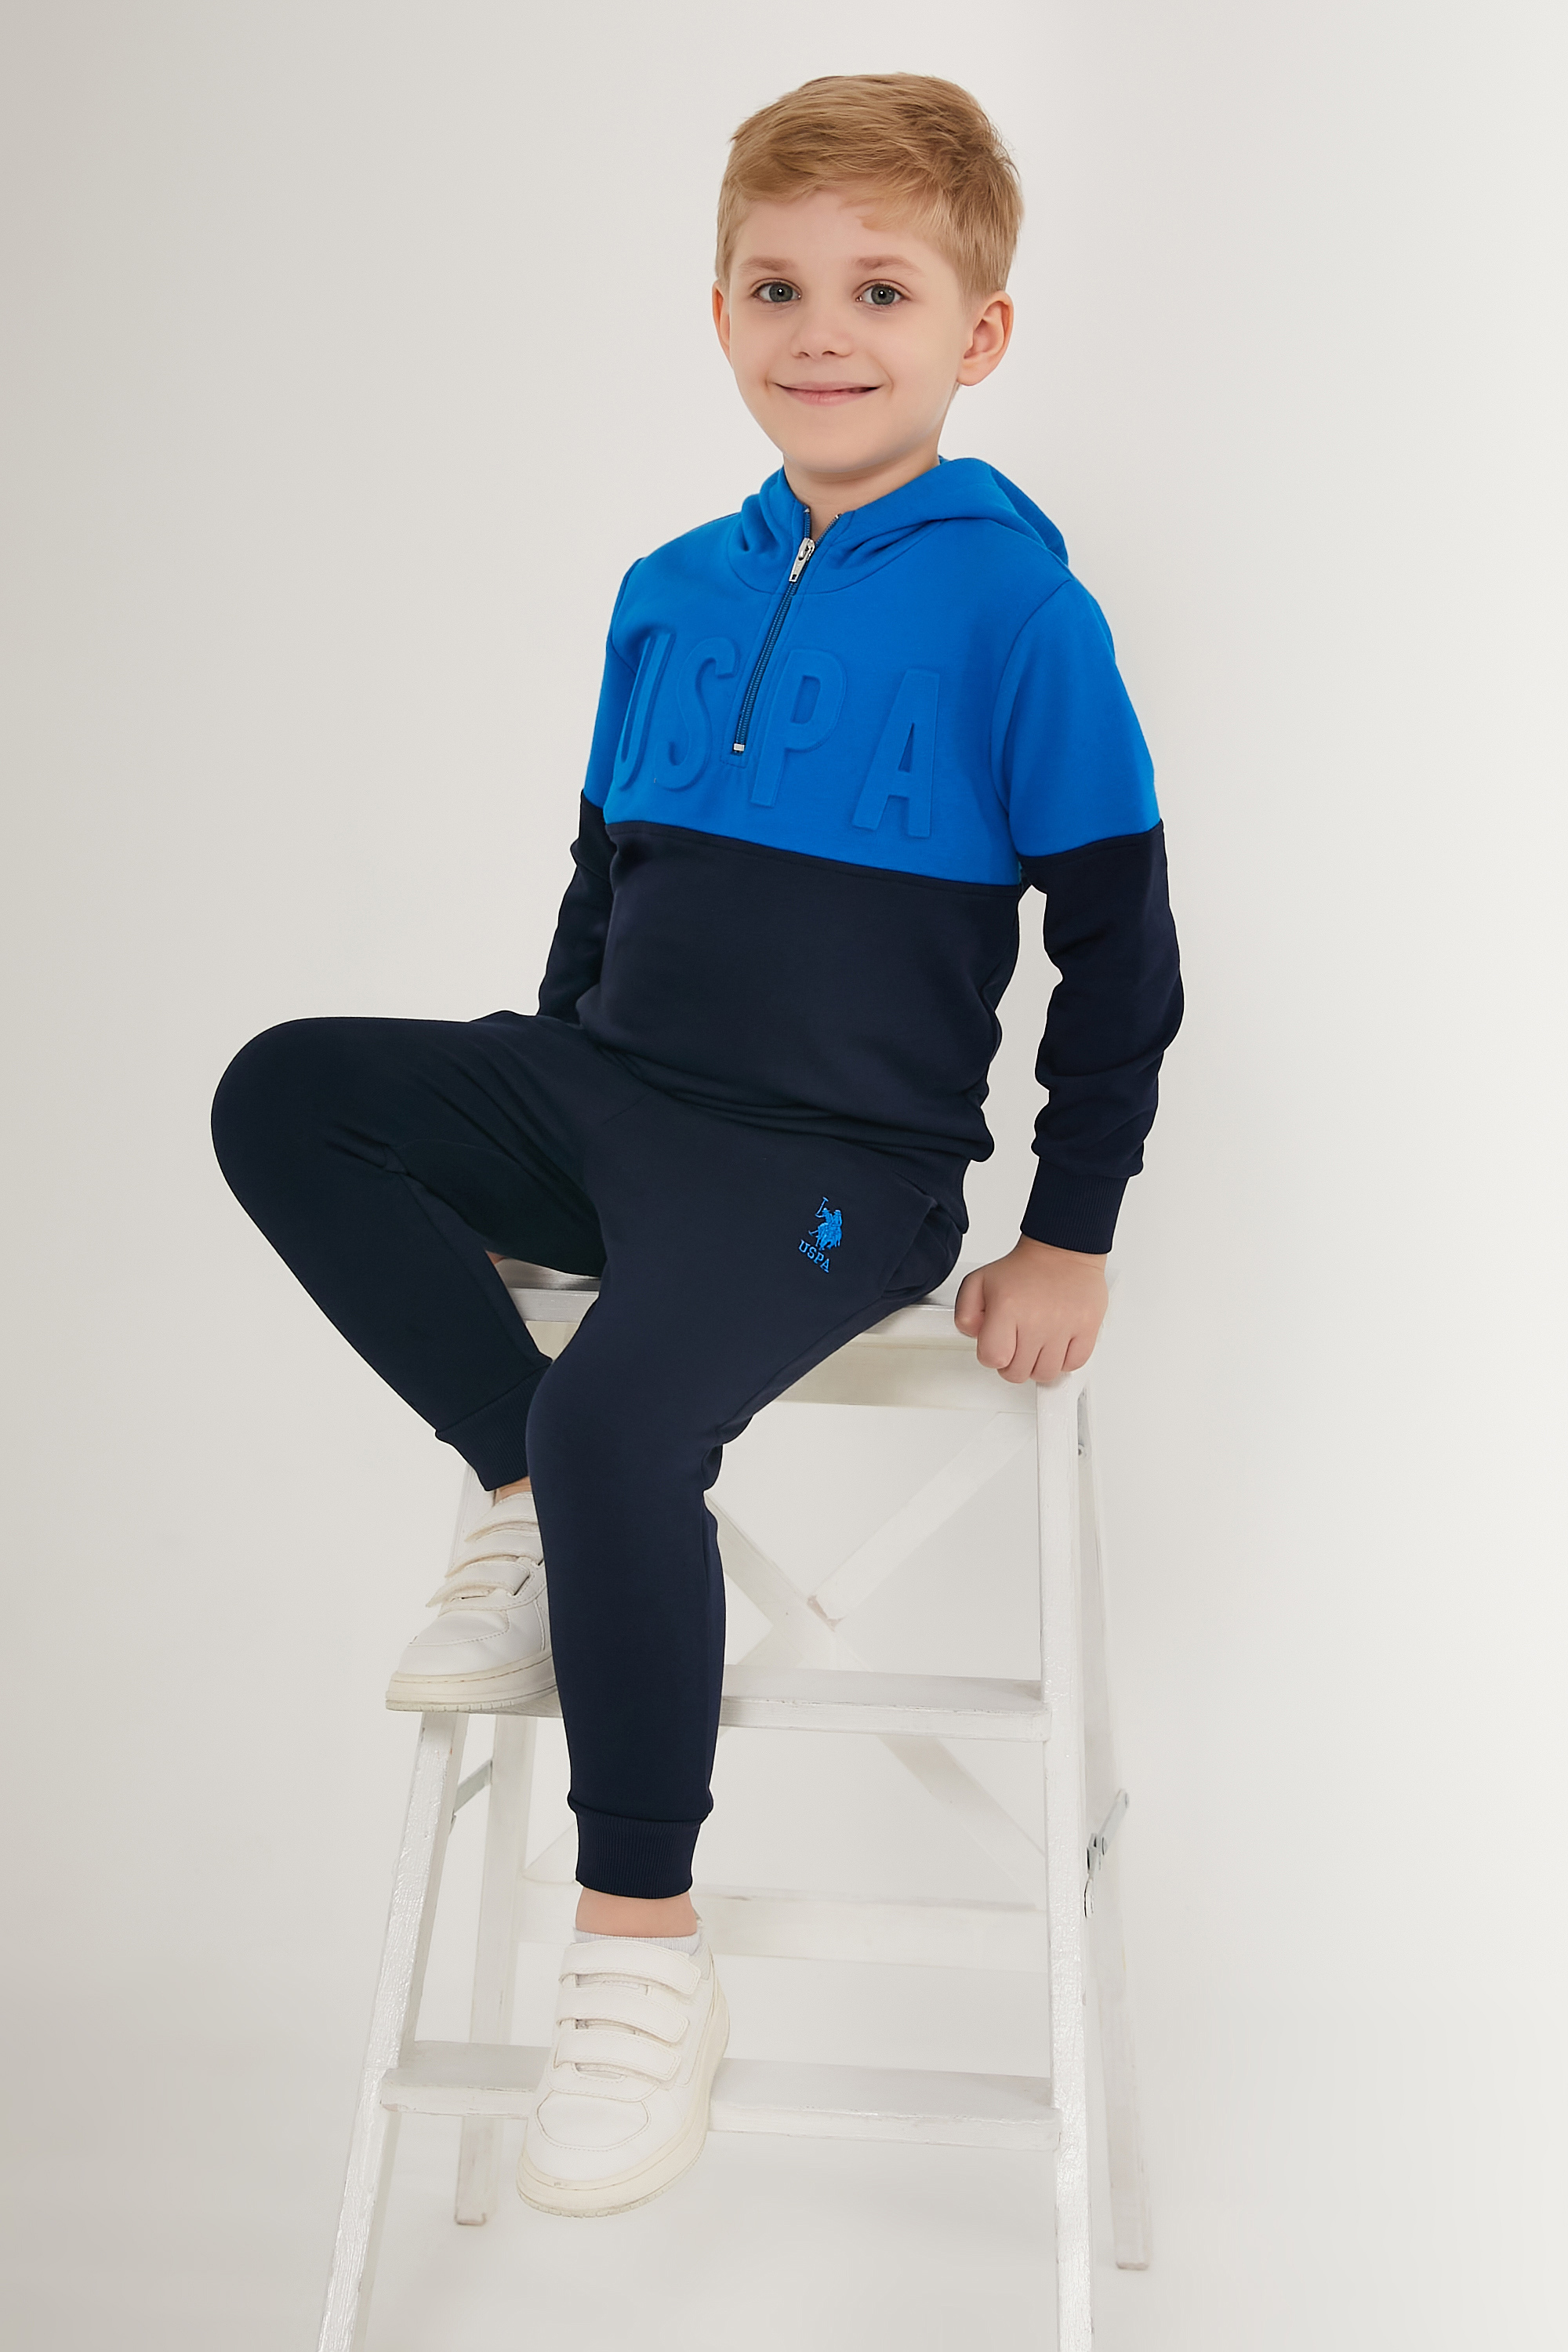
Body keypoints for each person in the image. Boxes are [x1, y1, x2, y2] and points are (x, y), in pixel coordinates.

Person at [210, 71, 1182, 2219]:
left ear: (977, 332)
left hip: (835, 1165)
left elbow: (1122, 947)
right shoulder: (666, 588)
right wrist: (543, 1094)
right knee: (285, 1087)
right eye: (777, 286)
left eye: (880, 291)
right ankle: (523, 1490)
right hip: (616, 1095)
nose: (822, 331)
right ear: (721, 307)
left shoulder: (1022, 615)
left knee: (632, 1417)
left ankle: (640, 1953)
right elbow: (605, 881)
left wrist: (1070, 1229)